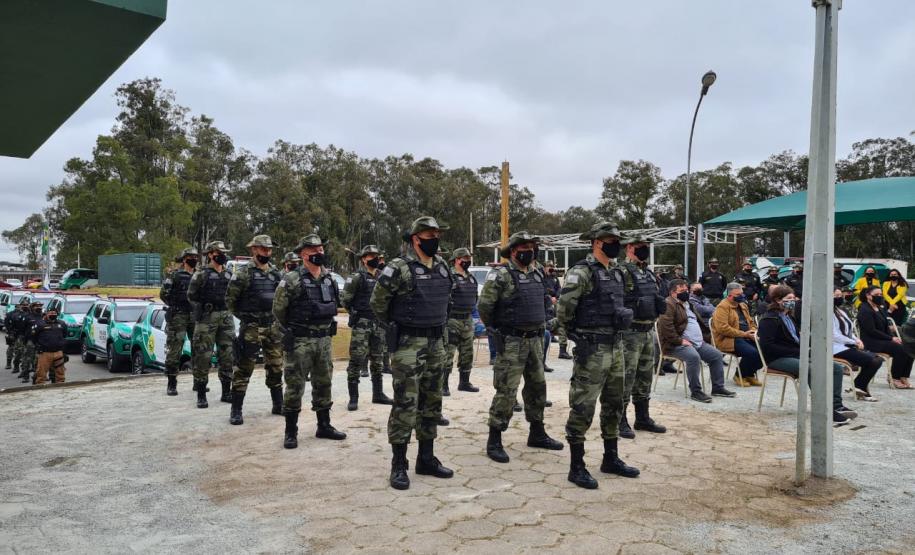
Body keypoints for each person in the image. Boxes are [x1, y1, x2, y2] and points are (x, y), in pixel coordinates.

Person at [371, 217, 454, 490]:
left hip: (436, 344)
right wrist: (399, 328)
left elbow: (447, 301)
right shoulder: (399, 268)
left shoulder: (442, 267)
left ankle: (426, 458)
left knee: (432, 402)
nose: (436, 238)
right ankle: (398, 464)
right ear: (416, 238)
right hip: (408, 345)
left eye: (437, 234)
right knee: (406, 404)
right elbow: (378, 304)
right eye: (431, 234)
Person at [558, 222, 639, 489]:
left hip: (616, 346)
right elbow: (564, 310)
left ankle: (610, 458)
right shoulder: (581, 272)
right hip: (592, 348)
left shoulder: (616, 272)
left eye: (617, 238)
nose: (614, 243)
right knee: (583, 405)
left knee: (615, 402)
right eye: (609, 239)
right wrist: (575, 336)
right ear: (595, 242)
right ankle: (576, 466)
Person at [479, 231, 563, 465]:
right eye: (525, 247)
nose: (530, 250)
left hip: (536, 340)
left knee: (537, 388)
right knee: (506, 391)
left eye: (532, 246)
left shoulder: (536, 273)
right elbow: (484, 307)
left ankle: (537, 433)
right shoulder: (502, 275)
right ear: (514, 251)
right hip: (512, 341)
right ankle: (494, 440)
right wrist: (498, 331)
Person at [274, 233, 347, 447]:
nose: (319, 253)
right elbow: (278, 311)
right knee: (295, 386)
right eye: (314, 250)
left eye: (321, 250)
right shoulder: (292, 279)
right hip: (300, 341)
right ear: (303, 254)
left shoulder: (329, 278)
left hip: (324, 340)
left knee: (324, 383)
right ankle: (291, 431)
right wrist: (292, 332)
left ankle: (324, 425)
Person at [757, 285, 857, 425]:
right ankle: (823, 409)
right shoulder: (769, 319)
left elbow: (797, 339)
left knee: (836, 368)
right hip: (777, 359)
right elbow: (768, 346)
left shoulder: (788, 317)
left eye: (793, 298)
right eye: (789, 299)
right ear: (778, 300)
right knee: (811, 368)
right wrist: (799, 352)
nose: (793, 301)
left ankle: (835, 404)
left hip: (796, 355)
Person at [225, 235, 285, 425]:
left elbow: (282, 300)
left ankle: (278, 404)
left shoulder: (276, 274)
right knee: (244, 368)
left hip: (272, 327)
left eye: (269, 249)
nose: (267, 252)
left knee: (276, 365)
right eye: (263, 249)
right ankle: (236, 410)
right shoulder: (243, 274)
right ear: (254, 250)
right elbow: (230, 301)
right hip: (251, 327)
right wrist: (246, 318)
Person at [618, 234, 668, 439]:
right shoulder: (621, 272)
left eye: (646, 246)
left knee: (645, 376)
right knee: (625, 378)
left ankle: (642, 417)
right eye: (640, 246)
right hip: (630, 333)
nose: (644, 249)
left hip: (648, 331)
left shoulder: (647, 272)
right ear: (629, 248)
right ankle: (620, 420)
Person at [657, 280, 736, 403]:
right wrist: (680, 341)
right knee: (694, 358)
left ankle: (718, 387)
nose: (686, 293)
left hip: (697, 343)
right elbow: (666, 328)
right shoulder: (668, 304)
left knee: (716, 355)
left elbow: (698, 323)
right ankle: (696, 391)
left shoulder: (689, 304)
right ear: (673, 293)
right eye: (682, 291)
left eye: (687, 290)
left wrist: (706, 338)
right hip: (675, 344)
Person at [340, 244, 393, 411]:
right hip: (362, 323)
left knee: (377, 360)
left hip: (378, 324)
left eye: (376, 255)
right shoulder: (356, 277)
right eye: (371, 256)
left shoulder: (382, 277)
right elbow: (345, 300)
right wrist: (354, 313)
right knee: (356, 359)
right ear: (363, 259)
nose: (375, 258)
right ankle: (353, 398)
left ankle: (378, 394)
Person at [187, 241, 235, 408]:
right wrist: (201, 309)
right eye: (218, 252)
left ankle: (226, 392)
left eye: (223, 251)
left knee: (227, 355)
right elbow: (191, 296)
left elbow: (234, 295)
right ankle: (201, 394)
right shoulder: (201, 275)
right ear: (210, 254)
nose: (221, 255)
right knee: (203, 356)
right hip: (206, 318)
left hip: (226, 318)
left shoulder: (229, 274)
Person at [159, 247, 199, 396]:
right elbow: (163, 294)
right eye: (190, 257)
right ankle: (172, 383)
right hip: (178, 316)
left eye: (195, 257)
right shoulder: (175, 275)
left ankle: (198, 382)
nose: (194, 259)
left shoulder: (199, 275)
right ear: (184, 259)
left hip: (194, 316)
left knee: (199, 350)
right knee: (175, 350)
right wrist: (175, 305)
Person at [857, 285, 913, 389]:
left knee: (909, 346)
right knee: (900, 349)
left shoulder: (880, 307)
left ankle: (903, 376)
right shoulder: (864, 309)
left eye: (881, 294)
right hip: (871, 341)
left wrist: (894, 337)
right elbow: (872, 331)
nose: (880, 296)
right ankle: (894, 377)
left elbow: (886, 326)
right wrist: (891, 339)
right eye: (876, 295)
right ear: (868, 296)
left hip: (883, 339)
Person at [832, 288, 882, 401]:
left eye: (841, 295)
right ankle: (860, 387)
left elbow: (849, 331)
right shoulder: (826, 312)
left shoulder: (840, 311)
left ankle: (859, 386)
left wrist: (857, 339)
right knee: (872, 361)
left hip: (846, 345)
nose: (839, 298)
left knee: (878, 360)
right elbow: (834, 335)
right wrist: (853, 342)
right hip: (835, 348)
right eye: (836, 296)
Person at [711, 283, 762, 387]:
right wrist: (744, 334)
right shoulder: (722, 307)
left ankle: (749, 374)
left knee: (765, 351)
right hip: (728, 338)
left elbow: (751, 322)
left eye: (742, 293)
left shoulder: (743, 305)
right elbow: (722, 328)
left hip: (746, 336)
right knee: (752, 353)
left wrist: (753, 330)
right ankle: (739, 375)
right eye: (738, 294)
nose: (742, 296)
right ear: (729, 295)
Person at [444, 247, 480, 395]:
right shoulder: (449, 276)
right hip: (452, 320)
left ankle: (464, 382)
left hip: (468, 319)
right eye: (464, 259)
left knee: (467, 353)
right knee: (448, 353)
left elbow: (475, 298)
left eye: (468, 259)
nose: (467, 261)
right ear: (457, 260)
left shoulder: (471, 278)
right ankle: (443, 384)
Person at [31, 306, 68, 385]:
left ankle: (60, 388)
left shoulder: (61, 323)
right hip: (45, 353)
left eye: (54, 313)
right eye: (51, 313)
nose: (53, 314)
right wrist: (39, 347)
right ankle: (39, 388)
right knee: (41, 374)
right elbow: (33, 337)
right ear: (46, 313)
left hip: (58, 352)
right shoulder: (40, 324)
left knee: (60, 373)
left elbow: (64, 335)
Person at [541, 260, 561, 372]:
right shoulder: (541, 277)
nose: (551, 268)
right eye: (549, 266)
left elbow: (559, 288)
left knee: (552, 325)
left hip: (553, 304)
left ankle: (542, 362)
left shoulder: (554, 277)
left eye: (552, 266)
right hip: (545, 304)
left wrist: (556, 297)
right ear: (544, 267)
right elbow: (542, 291)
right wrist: (549, 298)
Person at [18, 302, 44, 383]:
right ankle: (25, 376)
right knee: (27, 360)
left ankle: (37, 376)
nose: (39, 307)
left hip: (41, 341)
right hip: (30, 341)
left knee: (39, 360)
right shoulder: (27, 317)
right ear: (32, 307)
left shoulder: (43, 316)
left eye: (40, 306)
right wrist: (24, 340)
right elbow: (22, 329)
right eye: (37, 306)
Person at [5, 298, 30, 374]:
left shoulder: (30, 314)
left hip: (27, 336)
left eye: (27, 305)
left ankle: (26, 369)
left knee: (27, 353)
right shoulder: (13, 314)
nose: (25, 306)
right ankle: (12, 364)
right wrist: (11, 333)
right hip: (17, 336)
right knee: (15, 350)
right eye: (23, 305)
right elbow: (8, 324)